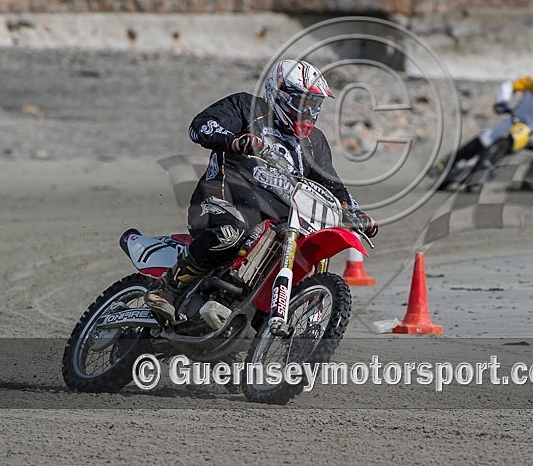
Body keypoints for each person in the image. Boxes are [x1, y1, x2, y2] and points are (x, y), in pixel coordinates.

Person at [146, 59, 378, 326]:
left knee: (295, 247)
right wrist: (235, 141)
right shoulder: (247, 107)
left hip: (274, 219)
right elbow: (200, 126)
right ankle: (167, 287)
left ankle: (243, 309)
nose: (309, 112)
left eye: (315, 105)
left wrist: (355, 211)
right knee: (230, 232)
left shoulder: (315, 142)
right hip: (221, 198)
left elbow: (331, 184)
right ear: (279, 95)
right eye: (302, 103)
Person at [441, 63, 533, 192]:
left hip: (530, 134)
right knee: (484, 139)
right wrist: (502, 101)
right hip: (513, 121)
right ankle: (445, 165)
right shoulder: (529, 83)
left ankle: (530, 180)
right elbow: (508, 86)